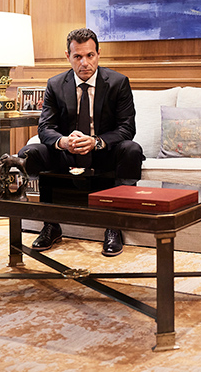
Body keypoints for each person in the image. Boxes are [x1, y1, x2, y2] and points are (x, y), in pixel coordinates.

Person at [18, 28, 143, 257]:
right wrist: (64, 141)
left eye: (90, 55)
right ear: (68, 56)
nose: (84, 63)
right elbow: (45, 128)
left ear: (98, 54)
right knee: (29, 152)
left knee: (131, 150)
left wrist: (96, 142)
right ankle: (51, 225)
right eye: (78, 56)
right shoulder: (55, 84)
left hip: (103, 153)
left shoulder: (118, 82)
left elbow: (127, 129)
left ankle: (114, 226)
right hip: (67, 152)